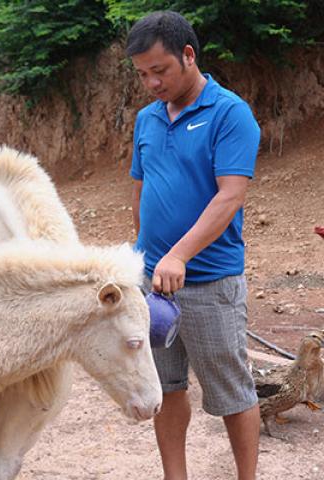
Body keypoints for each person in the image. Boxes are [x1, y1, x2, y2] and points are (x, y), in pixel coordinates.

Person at [127, 11, 261, 480]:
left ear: (189, 55)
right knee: (165, 387)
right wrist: (143, 256)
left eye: (159, 71)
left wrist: (180, 254)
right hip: (154, 285)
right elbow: (142, 189)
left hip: (211, 283)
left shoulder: (230, 113)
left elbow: (231, 194)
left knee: (231, 392)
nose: (151, 83)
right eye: (142, 74)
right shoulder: (146, 119)